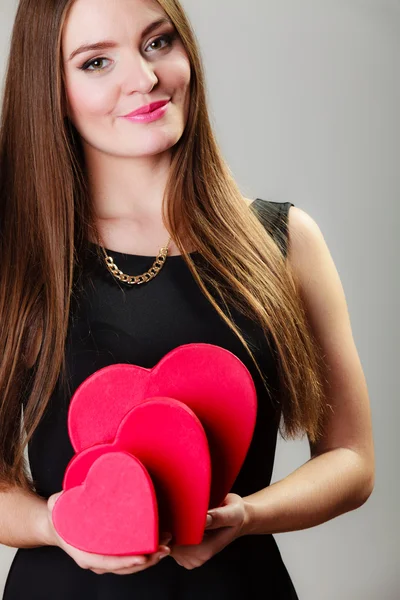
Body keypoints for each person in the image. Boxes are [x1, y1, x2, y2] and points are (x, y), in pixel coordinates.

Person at [0, 0, 375, 598]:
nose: (144, 79)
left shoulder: (284, 241)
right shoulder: (17, 257)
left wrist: (245, 517)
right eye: (97, 62)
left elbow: (353, 461)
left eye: (157, 43)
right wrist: (58, 525)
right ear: (51, 89)